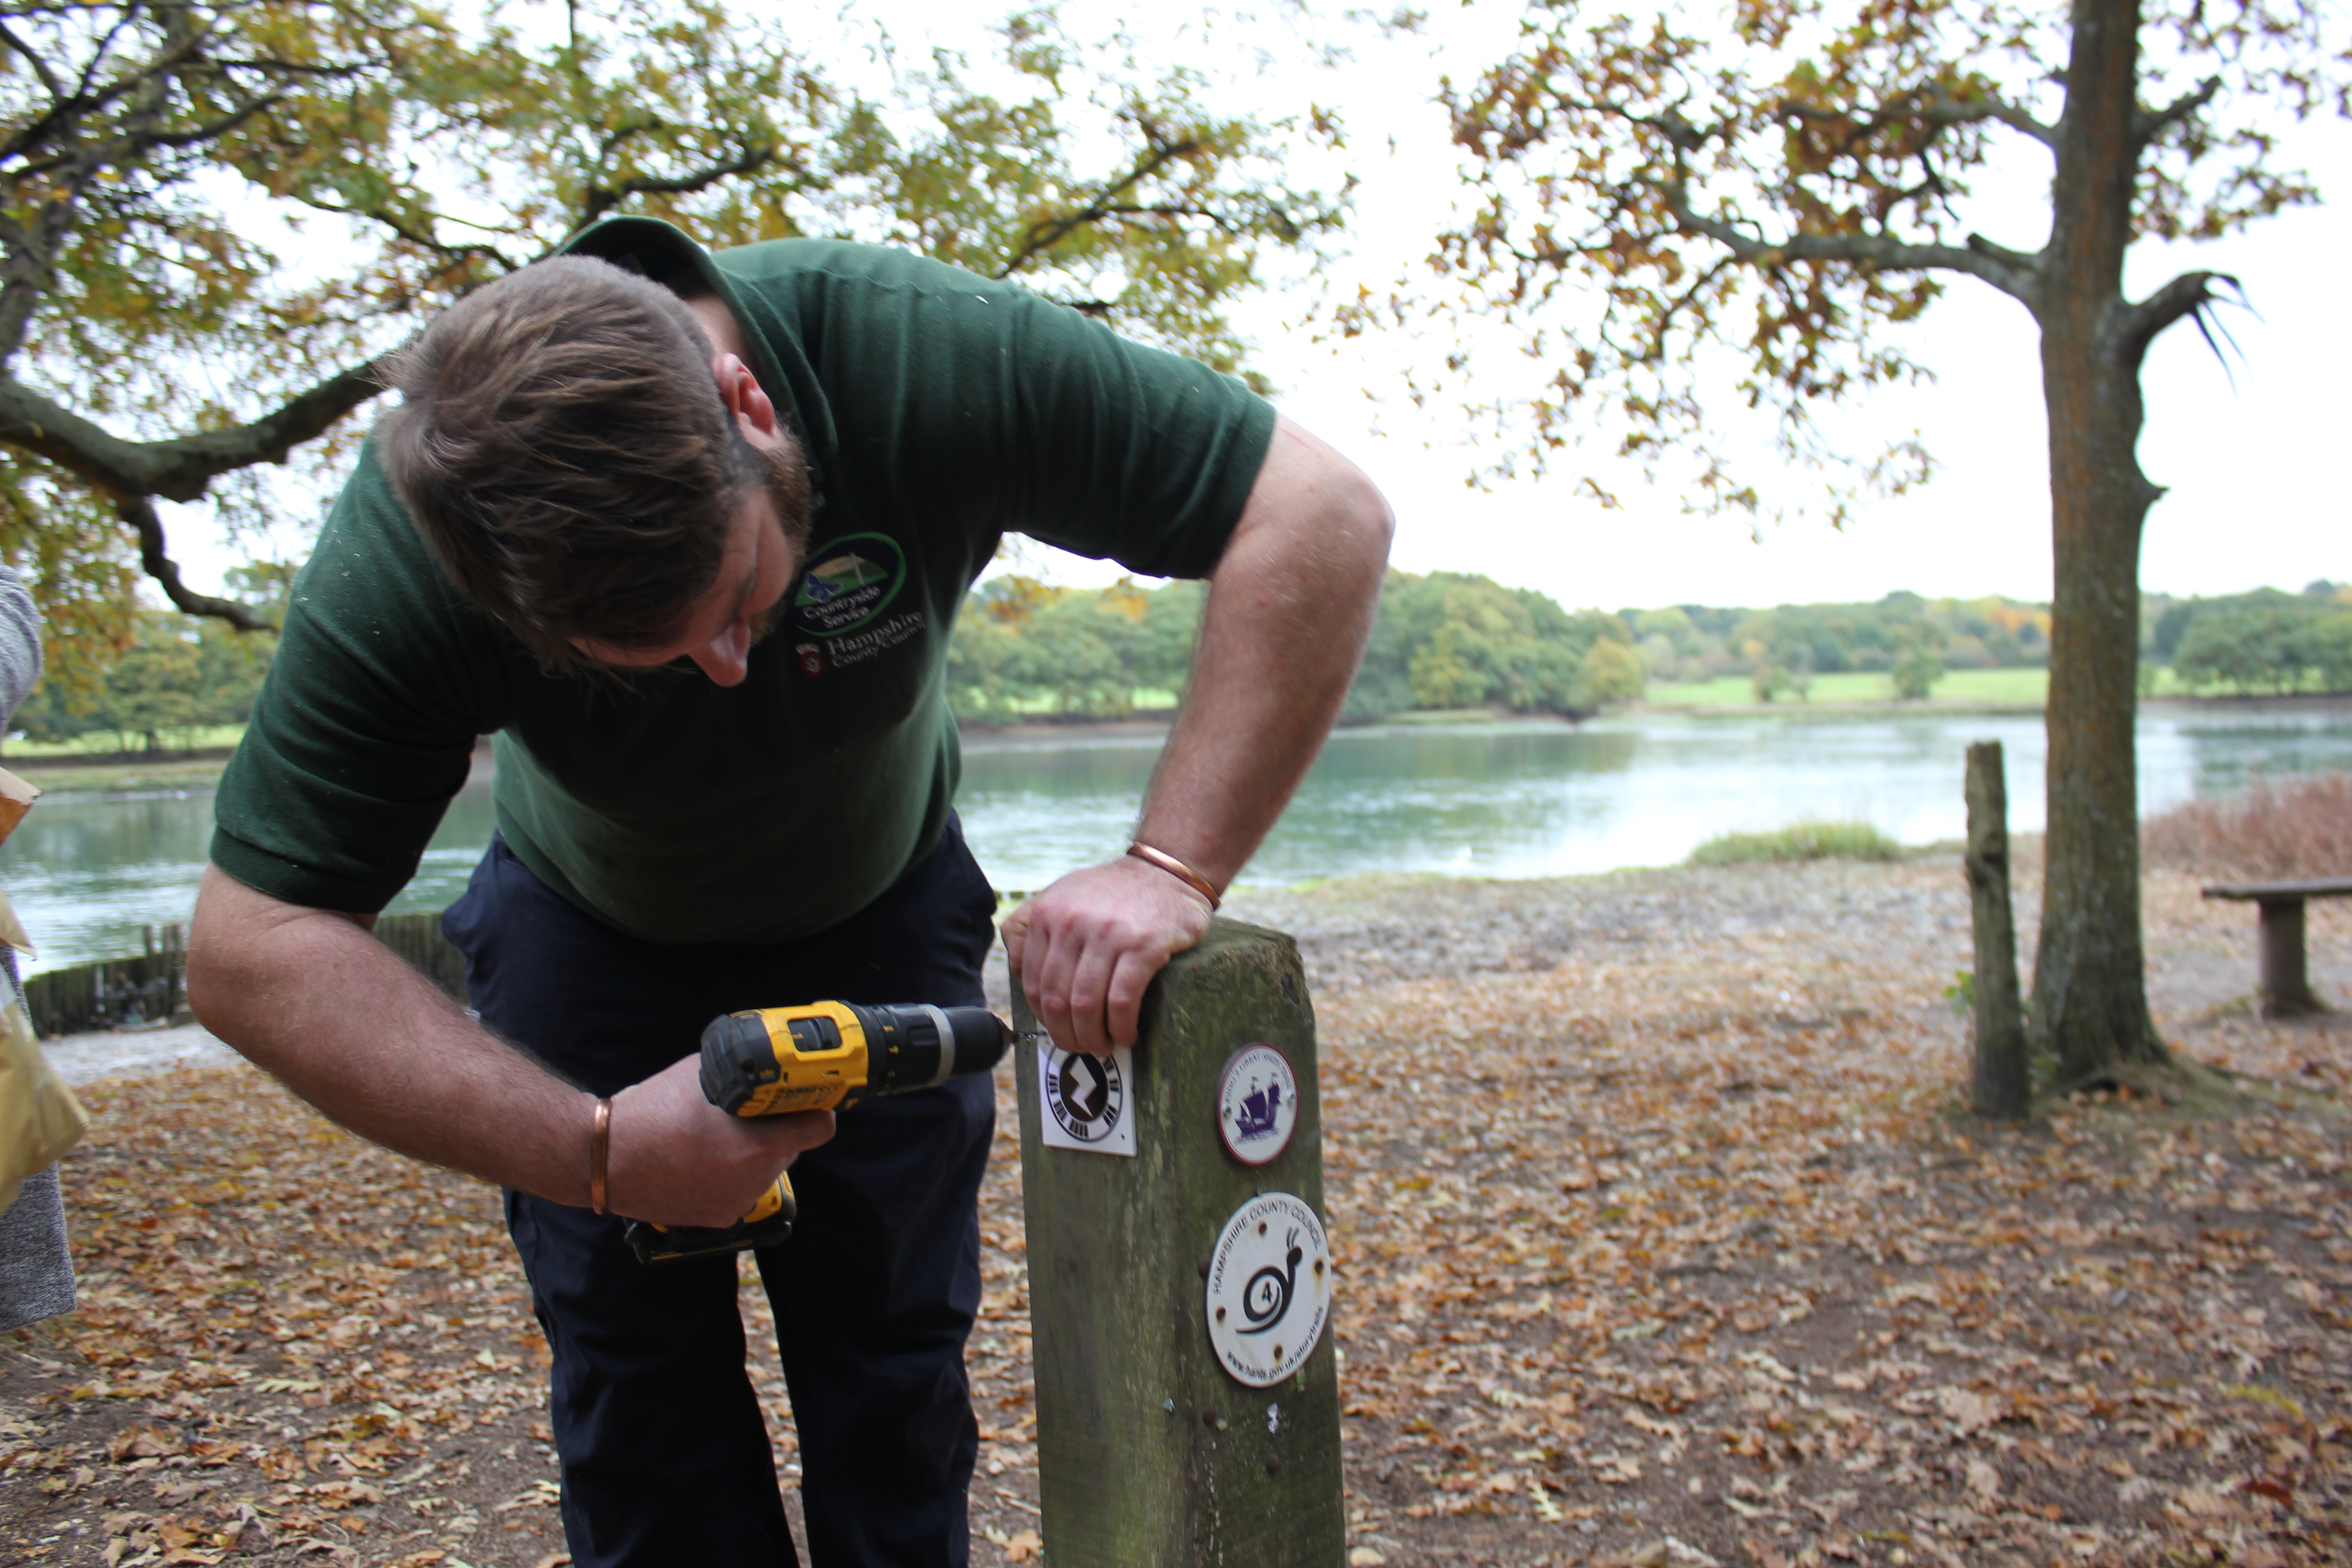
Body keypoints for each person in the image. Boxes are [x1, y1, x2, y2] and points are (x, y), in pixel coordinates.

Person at [185, 216, 1389, 1567]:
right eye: (640, 658)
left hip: (879, 907)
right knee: (639, 1406)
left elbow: (1318, 512)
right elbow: (249, 947)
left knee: (893, 1375)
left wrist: (1170, 864)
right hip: (585, 937)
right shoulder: (417, 546)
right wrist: (594, 1149)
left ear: (748, 408)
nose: (722, 670)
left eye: (741, 598)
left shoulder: (911, 352)